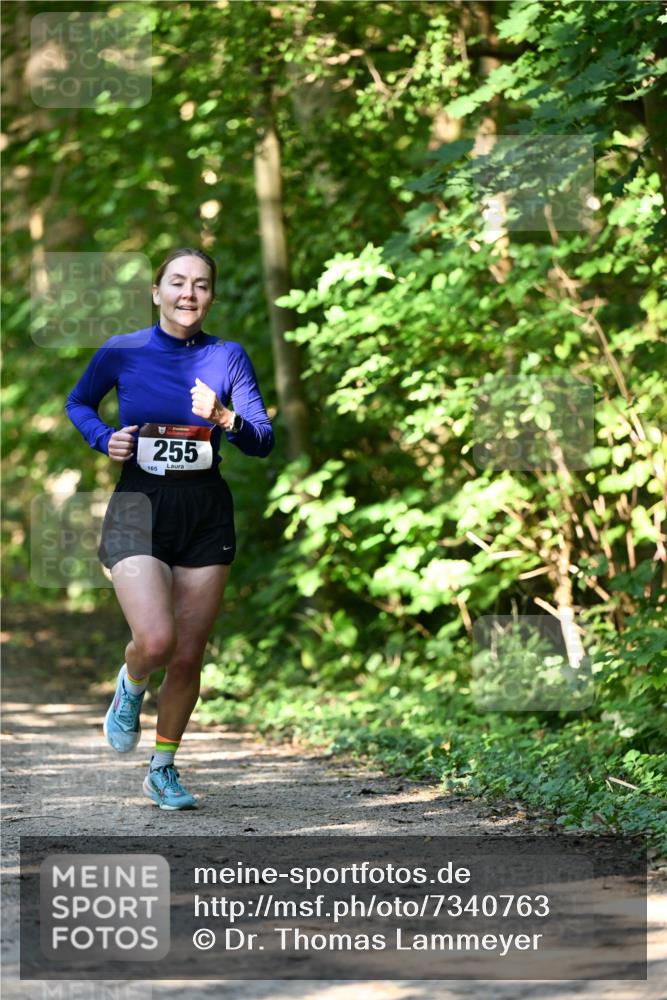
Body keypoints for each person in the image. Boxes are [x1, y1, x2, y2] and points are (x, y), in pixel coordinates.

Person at [65, 248, 274, 810]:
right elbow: (79, 401)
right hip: (139, 503)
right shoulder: (123, 350)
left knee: (187, 654)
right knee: (156, 641)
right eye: (178, 282)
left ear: (210, 296)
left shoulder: (228, 356)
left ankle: (163, 768)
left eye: (201, 284)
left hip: (206, 512)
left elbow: (262, 439)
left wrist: (225, 419)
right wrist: (102, 437)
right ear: (156, 291)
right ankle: (130, 685)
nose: (190, 294)